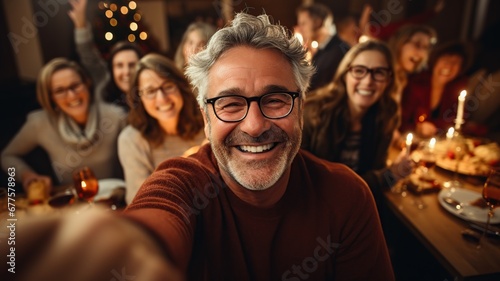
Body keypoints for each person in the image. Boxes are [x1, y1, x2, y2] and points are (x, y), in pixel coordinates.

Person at [1, 12, 395, 281]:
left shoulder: (347, 196)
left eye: (275, 99)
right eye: (229, 103)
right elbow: (154, 222)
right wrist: (119, 246)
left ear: (301, 109)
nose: (255, 125)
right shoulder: (183, 183)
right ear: (206, 120)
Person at [302, 40, 413, 203]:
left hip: (359, 206)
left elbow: (374, 179)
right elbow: (308, 183)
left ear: (389, 80)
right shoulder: (312, 112)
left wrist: (389, 176)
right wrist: (388, 176)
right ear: (345, 75)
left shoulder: (387, 114)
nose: (368, 81)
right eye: (359, 71)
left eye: (379, 72)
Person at [0, 58, 125, 190]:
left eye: (75, 85)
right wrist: (26, 176)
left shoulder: (116, 116)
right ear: (50, 97)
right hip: (73, 205)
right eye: (60, 90)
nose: (71, 96)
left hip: (116, 200)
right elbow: (7, 156)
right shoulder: (39, 123)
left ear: (87, 84)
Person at [118, 53, 205, 204]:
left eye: (168, 86)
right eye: (151, 91)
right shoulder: (132, 140)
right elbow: (139, 201)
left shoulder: (206, 125)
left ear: (181, 87)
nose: (162, 98)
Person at [69, 0, 144, 110]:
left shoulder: (151, 92)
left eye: (132, 65)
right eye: (119, 65)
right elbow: (88, 54)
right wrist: (80, 25)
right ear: (111, 69)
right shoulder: (104, 84)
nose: (126, 71)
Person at [400, 41, 470, 137]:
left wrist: (434, 126)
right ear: (435, 61)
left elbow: (459, 120)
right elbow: (399, 121)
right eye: (445, 60)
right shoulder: (415, 83)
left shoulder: (457, 89)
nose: (449, 66)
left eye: (455, 63)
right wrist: (417, 128)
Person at [296, 3, 351, 91]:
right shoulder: (324, 49)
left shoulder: (338, 51)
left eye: (303, 23)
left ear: (318, 22)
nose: (300, 29)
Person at [387, 24, 437, 103]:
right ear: (400, 43)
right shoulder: (380, 74)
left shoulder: (402, 80)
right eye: (417, 44)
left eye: (425, 48)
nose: (422, 53)